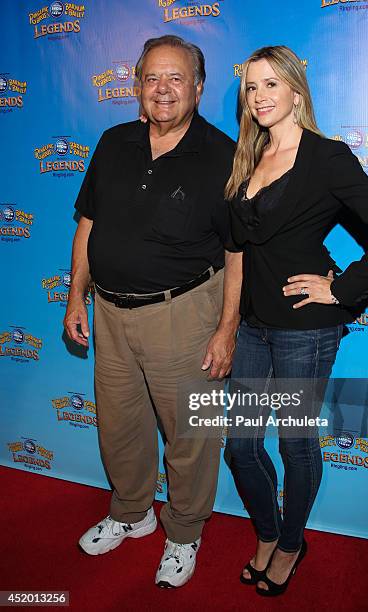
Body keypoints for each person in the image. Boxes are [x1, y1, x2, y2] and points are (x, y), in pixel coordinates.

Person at [224, 45, 368, 597]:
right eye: (251, 87)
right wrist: (228, 322)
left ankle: (289, 544)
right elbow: (237, 250)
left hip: (304, 330)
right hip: (254, 325)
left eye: (270, 85)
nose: (259, 97)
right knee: (239, 443)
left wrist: (341, 289)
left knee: (294, 444)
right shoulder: (247, 159)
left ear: (296, 92)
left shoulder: (326, 158)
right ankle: (266, 531)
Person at [63, 35, 242, 588]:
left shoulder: (224, 154)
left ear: (198, 86)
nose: (163, 89)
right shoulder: (114, 141)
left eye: (176, 78)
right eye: (152, 78)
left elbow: (238, 252)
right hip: (111, 313)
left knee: (190, 432)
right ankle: (132, 512)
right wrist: (76, 294)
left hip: (184, 313)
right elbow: (88, 224)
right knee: (121, 426)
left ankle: (184, 531)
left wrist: (226, 328)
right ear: (138, 85)